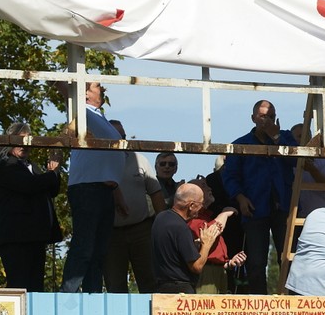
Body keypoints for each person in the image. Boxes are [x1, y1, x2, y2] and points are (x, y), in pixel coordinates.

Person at [221, 99, 298, 295]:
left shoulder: (287, 138)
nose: (267, 120)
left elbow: (298, 160)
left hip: (283, 207)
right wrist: (240, 198)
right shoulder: (240, 145)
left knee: (288, 259)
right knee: (256, 262)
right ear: (253, 118)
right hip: (255, 207)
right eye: (263, 116)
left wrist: (277, 137)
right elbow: (230, 176)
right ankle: (259, 303)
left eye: (271, 116)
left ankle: (292, 302)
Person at [60, 82, 126, 293]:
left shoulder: (98, 116)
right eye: (98, 85)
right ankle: (66, 296)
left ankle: (92, 297)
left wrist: (117, 195)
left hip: (102, 191)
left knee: (98, 252)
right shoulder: (83, 113)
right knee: (85, 248)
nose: (104, 87)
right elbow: (64, 89)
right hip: (88, 189)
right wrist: (70, 86)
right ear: (86, 93)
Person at [0, 121, 62, 291]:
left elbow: (52, 190)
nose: (24, 146)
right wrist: (51, 174)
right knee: (19, 286)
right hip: (16, 237)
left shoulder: (33, 167)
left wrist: (54, 173)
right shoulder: (5, 165)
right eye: (20, 140)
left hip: (35, 237)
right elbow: (29, 185)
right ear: (10, 141)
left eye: (28, 141)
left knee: (36, 287)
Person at [103, 120, 166, 293]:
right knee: (115, 285)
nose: (121, 140)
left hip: (142, 230)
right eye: (116, 136)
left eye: (123, 136)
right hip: (111, 233)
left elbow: (156, 193)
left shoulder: (139, 159)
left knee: (151, 281)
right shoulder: (99, 161)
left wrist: (162, 226)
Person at [152, 183, 221, 294]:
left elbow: (173, 251)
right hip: (180, 291)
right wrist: (207, 244)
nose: (202, 207)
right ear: (191, 205)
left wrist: (194, 245)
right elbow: (196, 267)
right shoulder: (181, 227)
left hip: (161, 287)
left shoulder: (161, 218)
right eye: (201, 203)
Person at [184, 176, 247, 294]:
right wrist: (225, 213)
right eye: (203, 186)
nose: (209, 188)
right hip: (206, 274)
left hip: (218, 272)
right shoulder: (194, 219)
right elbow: (210, 233)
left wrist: (229, 263)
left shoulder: (207, 217)